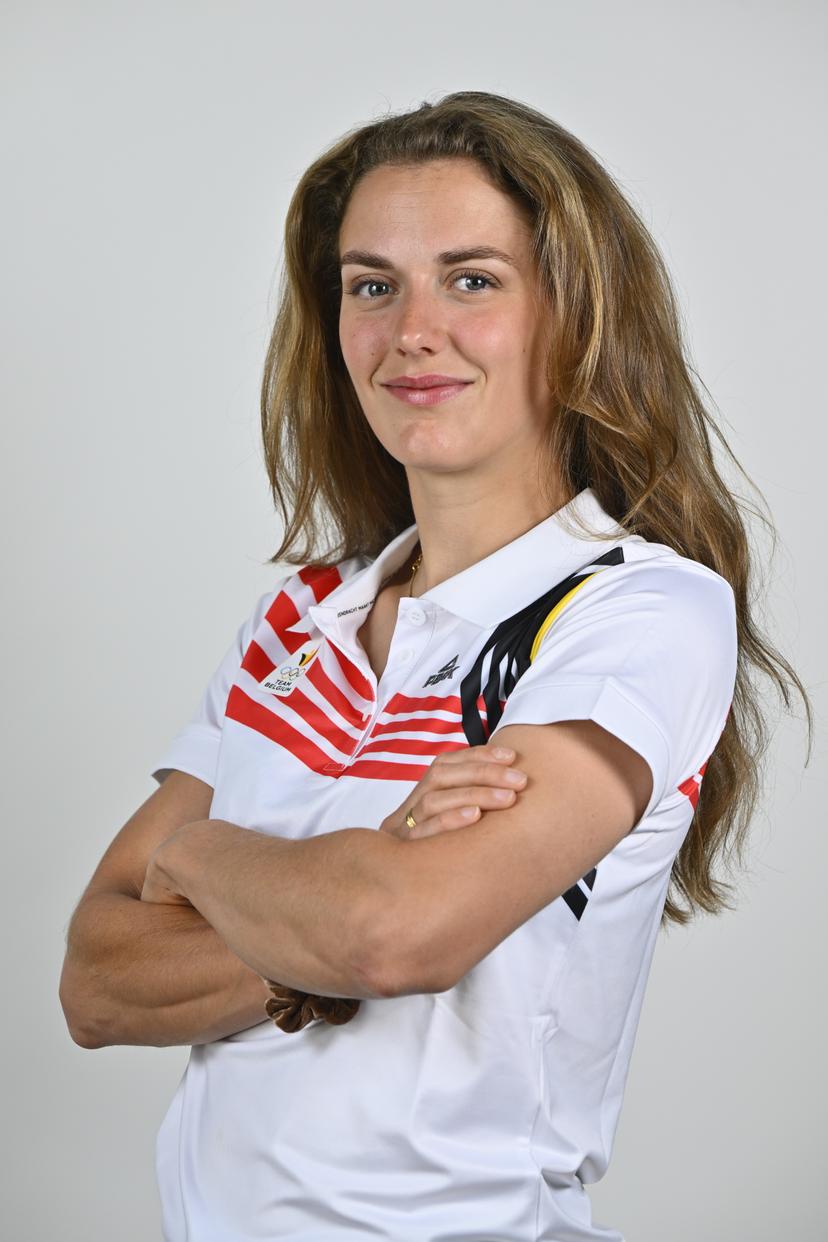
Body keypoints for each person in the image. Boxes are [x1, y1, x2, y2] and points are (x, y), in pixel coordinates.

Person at [59, 91, 812, 1241]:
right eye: (373, 284)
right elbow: (97, 983)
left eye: (472, 279)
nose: (413, 329)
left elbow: (397, 936)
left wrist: (199, 857)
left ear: (577, 316)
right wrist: (320, 920)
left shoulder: (640, 610)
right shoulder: (301, 617)